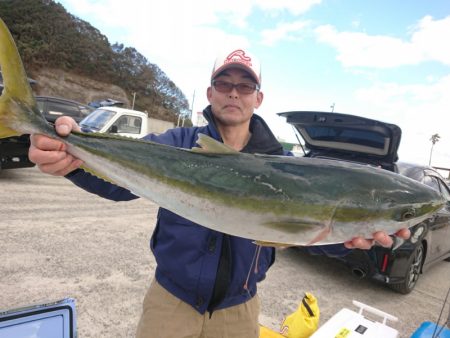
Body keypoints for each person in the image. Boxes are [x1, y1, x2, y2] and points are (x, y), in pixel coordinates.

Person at [29, 48, 410, 338]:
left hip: (239, 310)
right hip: (170, 300)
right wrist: (71, 158)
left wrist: (350, 241)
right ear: (210, 93)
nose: (234, 93)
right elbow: (121, 185)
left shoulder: (283, 165)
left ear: (258, 98)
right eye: (224, 84)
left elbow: (304, 229)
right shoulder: (177, 144)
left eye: (245, 86)